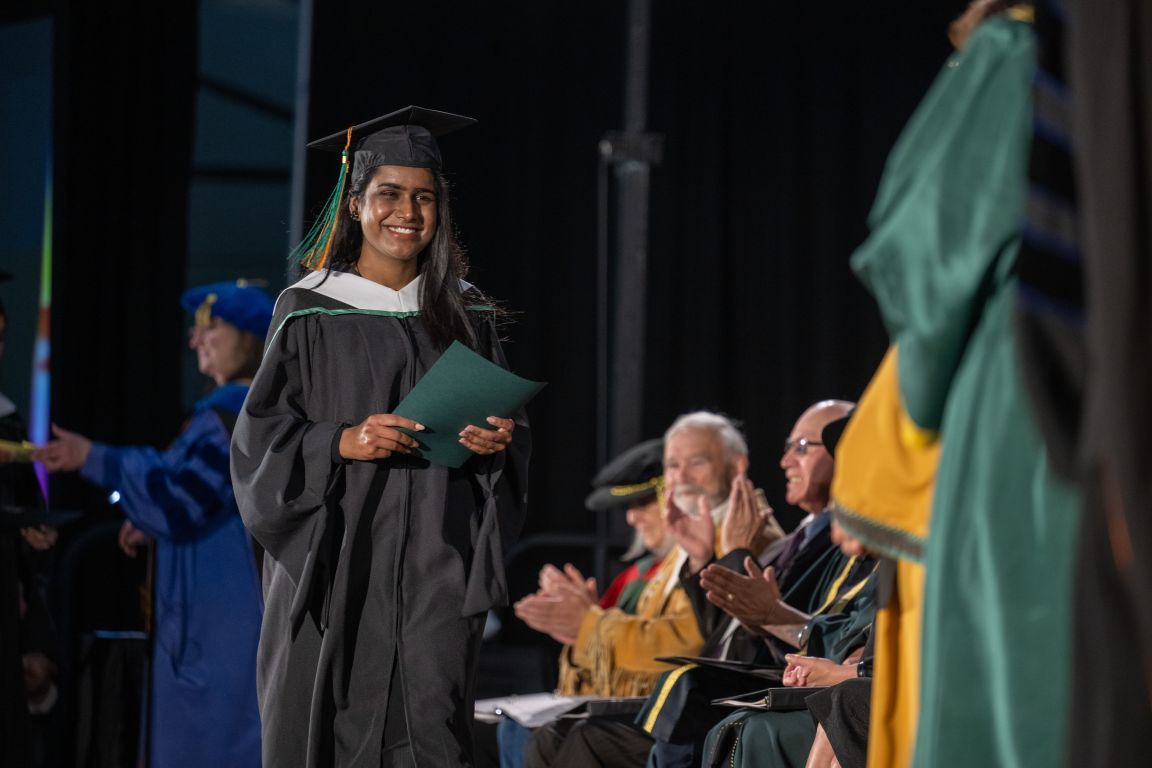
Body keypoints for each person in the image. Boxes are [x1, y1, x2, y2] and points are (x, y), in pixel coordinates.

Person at [229, 106, 531, 768]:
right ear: (357, 203)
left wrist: (494, 442)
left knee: (432, 727)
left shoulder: (466, 313)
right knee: (330, 723)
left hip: (434, 562)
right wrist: (341, 442)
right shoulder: (309, 309)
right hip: (337, 561)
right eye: (389, 194)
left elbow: (508, 444)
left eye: (424, 197)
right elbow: (258, 443)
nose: (408, 212)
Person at [34, 280, 272, 768]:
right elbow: (195, 501)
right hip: (210, 628)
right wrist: (148, 521)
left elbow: (176, 501)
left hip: (223, 631)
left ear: (249, 337)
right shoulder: (237, 414)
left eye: (211, 326)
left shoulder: (236, 416)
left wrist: (95, 459)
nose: (194, 339)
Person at [517, 411, 783, 768]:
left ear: (737, 467)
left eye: (697, 462)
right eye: (673, 465)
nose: (681, 477)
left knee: (587, 739)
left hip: (722, 706)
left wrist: (590, 625)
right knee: (548, 734)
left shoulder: (752, 535)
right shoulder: (684, 548)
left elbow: (691, 646)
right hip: (681, 700)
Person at [496, 437, 673, 767]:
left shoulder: (695, 572)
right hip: (619, 707)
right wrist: (579, 637)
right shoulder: (632, 577)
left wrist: (590, 624)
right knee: (514, 727)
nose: (632, 519)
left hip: (655, 714)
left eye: (644, 502)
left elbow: (675, 654)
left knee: (568, 735)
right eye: (628, 508)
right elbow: (590, 681)